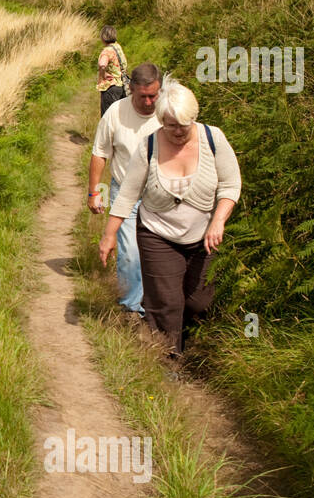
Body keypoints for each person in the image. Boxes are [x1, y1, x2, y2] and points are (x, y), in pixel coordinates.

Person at [98, 79, 241, 356]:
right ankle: (167, 359)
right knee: (167, 303)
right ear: (161, 120)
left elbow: (230, 185)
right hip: (157, 234)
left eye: (182, 125)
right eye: (169, 124)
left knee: (198, 301)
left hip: (203, 238)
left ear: (193, 118)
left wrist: (218, 220)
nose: (176, 131)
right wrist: (109, 234)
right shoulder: (148, 146)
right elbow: (127, 194)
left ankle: (187, 342)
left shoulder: (214, 139)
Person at [88, 63, 162, 318]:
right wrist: (94, 192)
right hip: (125, 193)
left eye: (154, 95)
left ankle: (158, 307)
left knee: (157, 255)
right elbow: (100, 153)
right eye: (144, 96)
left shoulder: (168, 112)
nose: (150, 102)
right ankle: (132, 309)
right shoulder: (116, 113)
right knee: (130, 253)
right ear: (131, 90)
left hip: (161, 194)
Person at [96, 26, 129, 117]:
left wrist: (104, 74)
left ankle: (106, 132)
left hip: (110, 87)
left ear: (103, 37)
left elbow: (102, 64)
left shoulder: (107, 51)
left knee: (107, 117)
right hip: (121, 86)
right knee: (118, 117)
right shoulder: (117, 47)